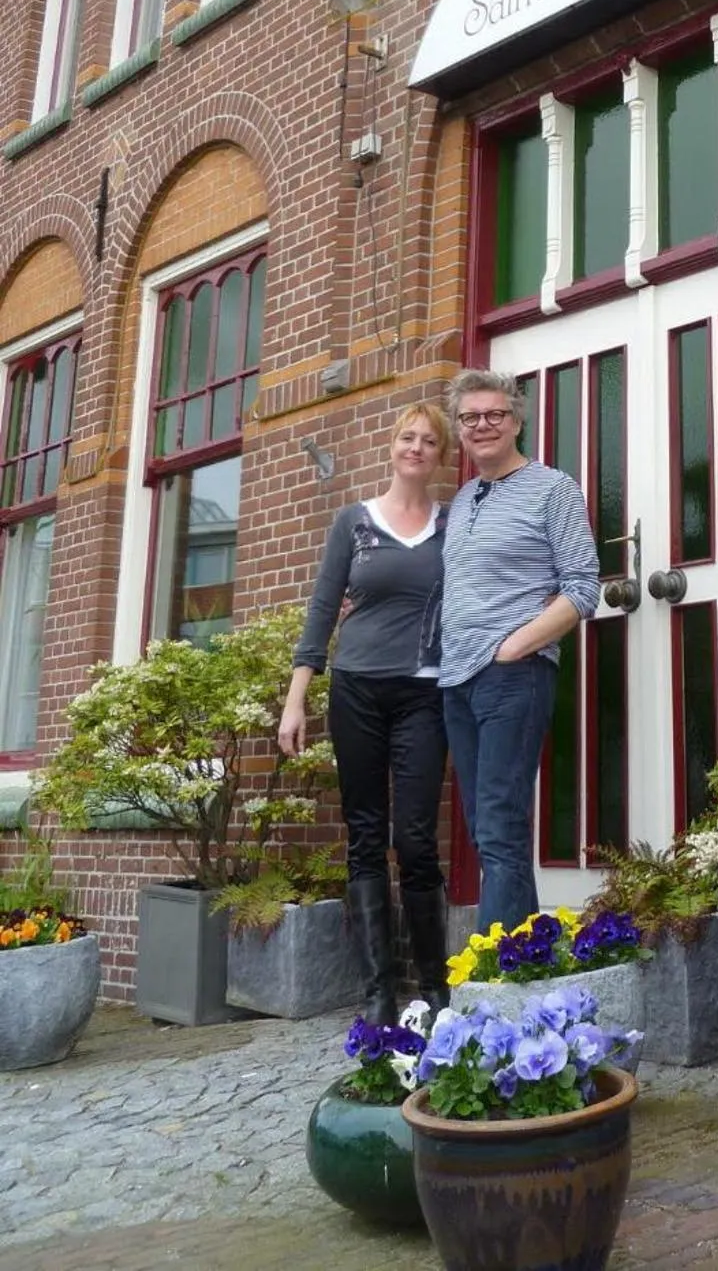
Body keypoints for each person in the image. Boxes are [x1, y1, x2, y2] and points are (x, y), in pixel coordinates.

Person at [280, 402, 452, 1023]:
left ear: (440, 455)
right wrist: (296, 700)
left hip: (424, 693)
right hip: (355, 689)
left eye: (429, 441)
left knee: (415, 839)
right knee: (366, 836)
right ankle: (379, 990)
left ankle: (435, 987)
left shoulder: (451, 523)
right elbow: (323, 609)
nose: (416, 447)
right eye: (408, 436)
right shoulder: (352, 523)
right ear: (392, 444)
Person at [440, 368, 600, 934]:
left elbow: (583, 588)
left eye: (495, 415)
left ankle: (490, 983)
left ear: (517, 420)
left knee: (500, 824)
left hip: (513, 676)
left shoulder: (553, 488)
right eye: (470, 418)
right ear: (458, 428)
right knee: (487, 828)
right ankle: (523, 959)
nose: (483, 426)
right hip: (455, 681)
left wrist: (514, 647)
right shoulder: (462, 500)